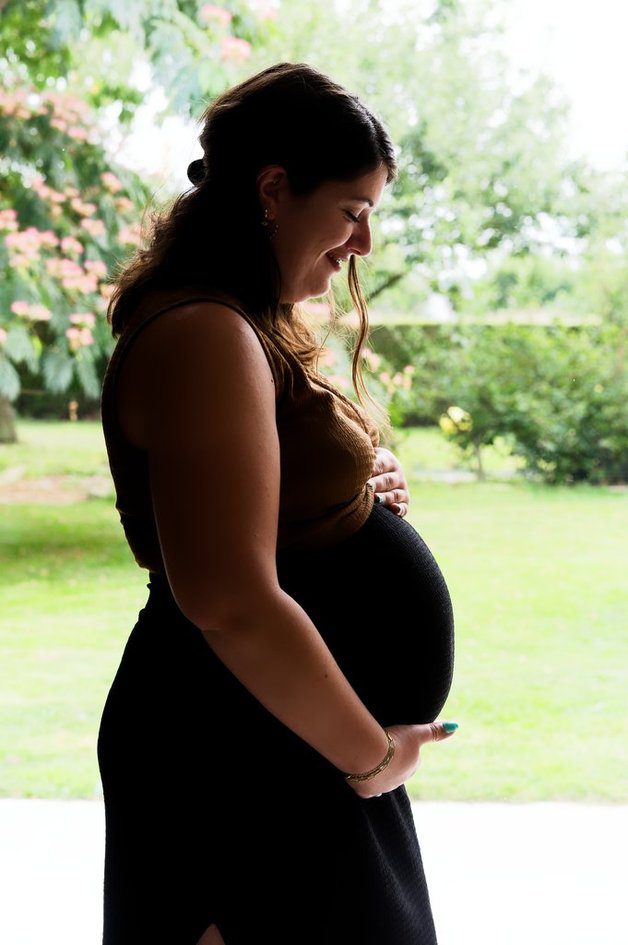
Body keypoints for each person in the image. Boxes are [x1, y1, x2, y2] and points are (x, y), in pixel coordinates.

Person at [97, 61, 457, 945]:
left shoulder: (240, 322)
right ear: (272, 188)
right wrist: (371, 755)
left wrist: (363, 487)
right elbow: (230, 600)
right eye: (351, 209)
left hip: (291, 738)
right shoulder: (204, 332)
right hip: (236, 753)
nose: (363, 243)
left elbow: (275, 481)